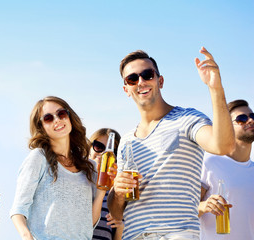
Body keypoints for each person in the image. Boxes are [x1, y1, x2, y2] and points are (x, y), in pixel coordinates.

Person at [107, 47, 235, 240]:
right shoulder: (126, 142)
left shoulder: (187, 118)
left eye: (147, 75)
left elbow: (223, 146)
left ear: (160, 81)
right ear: (126, 89)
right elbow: (117, 214)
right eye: (132, 79)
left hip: (176, 234)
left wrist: (215, 89)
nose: (141, 82)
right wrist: (117, 192)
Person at [10, 96, 106, 240]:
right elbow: (18, 209)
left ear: (69, 117)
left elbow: (89, 224)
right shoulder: (39, 158)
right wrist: (26, 235)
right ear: (41, 126)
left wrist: (101, 192)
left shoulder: (90, 168)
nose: (57, 120)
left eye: (61, 114)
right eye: (48, 118)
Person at [199, 99, 254, 239]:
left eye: (252, 116)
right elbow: (184, 210)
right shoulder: (210, 162)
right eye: (242, 119)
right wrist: (204, 206)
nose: (250, 121)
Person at [89, 128, 124, 240]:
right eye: (99, 146)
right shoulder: (76, 181)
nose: (104, 153)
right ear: (89, 148)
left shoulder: (116, 195)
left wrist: (120, 227)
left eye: (112, 150)